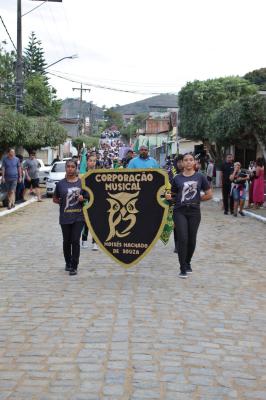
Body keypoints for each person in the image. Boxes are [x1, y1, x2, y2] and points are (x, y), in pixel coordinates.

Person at [166, 153, 212, 279]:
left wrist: (198, 199)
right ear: (182, 163)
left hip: (194, 211)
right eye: (185, 160)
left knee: (192, 240)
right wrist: (169, 197)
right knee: (183, 238)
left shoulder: (200, 177)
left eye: (190, 160)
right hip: (179, 211)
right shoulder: (177, 178)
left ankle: (187, 262)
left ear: (194, 162)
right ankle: (182, 268)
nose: (188, 162)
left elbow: (209, 194)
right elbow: (173, 196)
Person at [53, 160, 86, 276]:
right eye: (68, 167)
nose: (70, 169)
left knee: (75, 240)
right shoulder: (60, 184)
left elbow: (89, 198)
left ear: (76, 168)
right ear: (66, 168)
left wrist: (83, 199)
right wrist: (60, 202)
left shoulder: (82, 183)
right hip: (65, 217)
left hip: (79, 217)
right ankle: (68, 262)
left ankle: (74, 265)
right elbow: (55, 199)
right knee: (66, 241)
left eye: (73, 167)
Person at [80, 154, 98, 251]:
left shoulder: (99, 174)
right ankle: (83, 240)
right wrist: (81, 196)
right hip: (86, 201)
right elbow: (80, 188)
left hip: (96, 201)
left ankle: (95, 242)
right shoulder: (82, 174)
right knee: (86, 222)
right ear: (87, 162)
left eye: (94, 161)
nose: (92, 162)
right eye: (90, 160)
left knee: (95, 222)